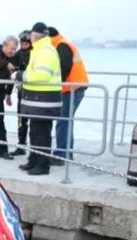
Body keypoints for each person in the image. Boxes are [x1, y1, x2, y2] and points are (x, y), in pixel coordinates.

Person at [13, 22, 62, 176]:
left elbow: (42, 75)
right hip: (38, 100)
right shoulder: (40, 50)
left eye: (31, 36)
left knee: (41, 135)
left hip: (44, 100)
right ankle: (33, 160)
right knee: (35, 133)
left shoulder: (45, 51)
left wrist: (19, 76)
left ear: (35, 36)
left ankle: (42, 166)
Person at [49, 26, 88, 166]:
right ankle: (66, 152)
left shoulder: (61, 46)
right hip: (75, 87)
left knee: (63, 121)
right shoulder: (63, 43)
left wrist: (54, 85)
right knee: (66, 120)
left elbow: (63, 68)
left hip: (72, 88)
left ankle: (61, 155)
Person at [10, 30, 32, 156]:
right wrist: (8, 93)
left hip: (34, 93)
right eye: (21, 44)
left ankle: (35, 149)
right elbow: (11, 69)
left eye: (25, 44)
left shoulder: (35, 54)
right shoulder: (19, 54)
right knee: (21, 120)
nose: (23, 46)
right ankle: (21, 145)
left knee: (34, 122)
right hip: (21, 92)